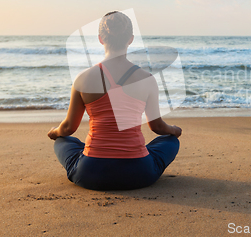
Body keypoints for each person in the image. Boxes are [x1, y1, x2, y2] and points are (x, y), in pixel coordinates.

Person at [47, 11, 182, 191]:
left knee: (63, 141)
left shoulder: (83, 78)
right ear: (131, 39)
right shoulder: (147, 79)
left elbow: (68, 127)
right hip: (139, 173)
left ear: (100, 39)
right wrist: (174, 130)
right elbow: (157, 127)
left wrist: (54, 132)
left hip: (91, 173)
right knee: (170, 141)